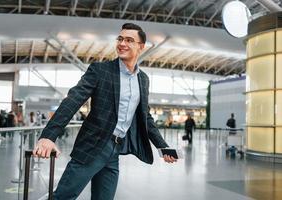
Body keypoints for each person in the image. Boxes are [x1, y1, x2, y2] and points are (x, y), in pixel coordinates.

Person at [33, 23, 177, 200]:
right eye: (120, 39)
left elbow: (145, 117)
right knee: (63, 197)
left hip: (116, 149)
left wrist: (163, 146)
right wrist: (49, 136)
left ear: (141, 47)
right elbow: (73, 100)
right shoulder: (100, 70)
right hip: (93, 146)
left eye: (129, 40)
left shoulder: (143, 79)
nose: (122, 43)